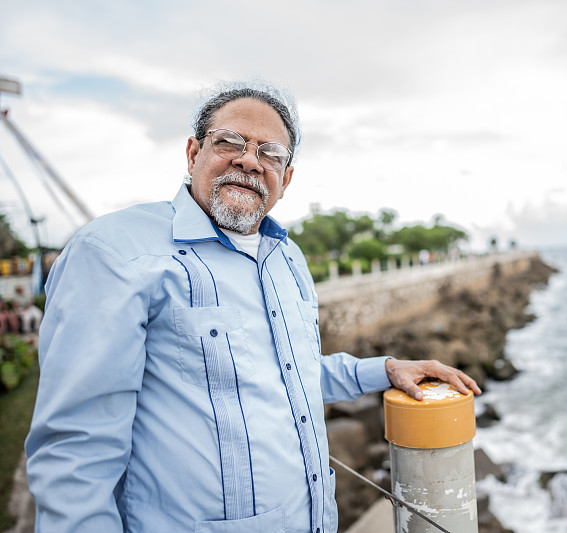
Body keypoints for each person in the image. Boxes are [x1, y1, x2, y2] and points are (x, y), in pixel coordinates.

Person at [25, 83, 481, 533]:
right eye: (229, 142)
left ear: (286, 177)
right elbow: (76, 452)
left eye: (271, 153)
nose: (249, 160)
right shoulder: (114, 252)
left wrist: (384, 369)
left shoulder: (288, 258)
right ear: (192, 153)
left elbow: (286, 375)